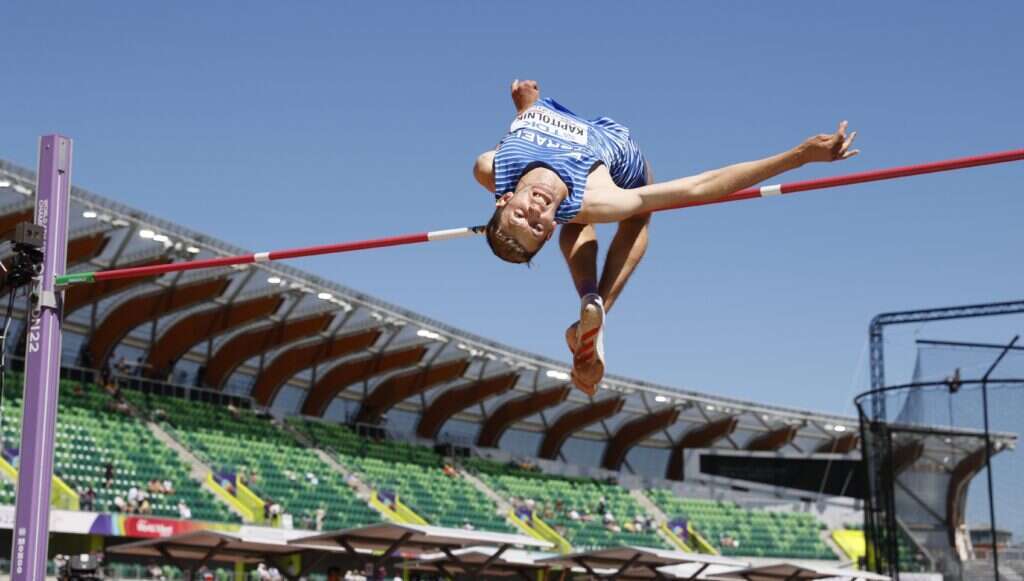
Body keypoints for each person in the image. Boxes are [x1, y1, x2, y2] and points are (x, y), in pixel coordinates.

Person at [474, 80, 858, 393]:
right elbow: (699, 188)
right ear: (551, 225)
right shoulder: (599, 197)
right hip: (617, 156)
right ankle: (598, 306)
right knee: (635, 215)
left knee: (582, 218)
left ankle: (592, 302)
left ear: (504, 198)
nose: (536, 211)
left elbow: (518, 134)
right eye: (538, 225)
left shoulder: (491, 167)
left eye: (521, 214)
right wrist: (800, 155)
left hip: (551, 119)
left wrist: (526, 108)